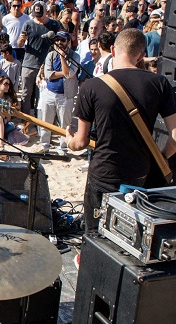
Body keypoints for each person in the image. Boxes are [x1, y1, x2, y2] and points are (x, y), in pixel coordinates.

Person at [66, 29, 176, 233]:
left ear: (113, 50)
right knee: (128, 234)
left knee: (94, 234)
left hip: (104, 171)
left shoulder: (92, 86)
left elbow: (80, 143)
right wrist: (161, 157)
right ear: (141, 55)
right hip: (139, 172)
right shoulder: (159, 83)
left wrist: (69, 141)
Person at [39, 31, 79, 155]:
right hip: (50, 92)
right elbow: (48, 74)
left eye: (62, 40)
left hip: (66, 95)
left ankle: (63, 147)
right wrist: (64, 73)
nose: (59, 43)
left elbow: (69, 74)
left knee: (65, 123)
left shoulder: (74, 56)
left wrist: (62, 57)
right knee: (46, 121)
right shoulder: (51, 55)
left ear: (68, 41)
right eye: (57, 40)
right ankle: (44, 145)